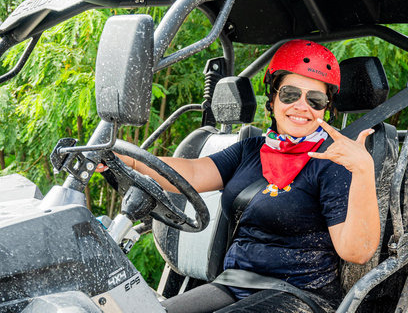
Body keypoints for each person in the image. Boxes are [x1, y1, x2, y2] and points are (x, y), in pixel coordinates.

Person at [99, 39, 380, 312]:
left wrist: (364, 170)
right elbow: (194, 173)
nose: (301, 106)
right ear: (272, 98)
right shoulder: (251, 149)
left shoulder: (335, 161)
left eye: (315, 99)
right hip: (234, 284)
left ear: (326, 108)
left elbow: (357, 252)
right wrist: (124, 158)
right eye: (290, 94)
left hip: (301, 294)